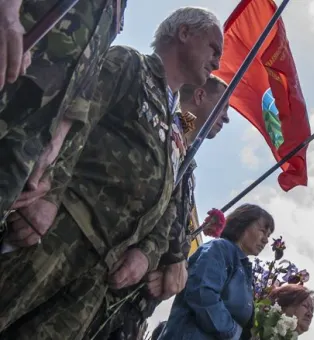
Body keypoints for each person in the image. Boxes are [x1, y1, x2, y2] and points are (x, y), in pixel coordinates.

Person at [0, 7, 223, 339]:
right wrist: (50, 193)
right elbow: (74, 121)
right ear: (185, 33)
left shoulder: (175, 123)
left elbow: (166, 197)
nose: (217, 62)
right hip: (60, 232)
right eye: (213, 49)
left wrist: (146, 255)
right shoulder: (128, 65)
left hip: (100, 273)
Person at [85, 74, 230, 340]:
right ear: (199, 96)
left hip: (131, 304)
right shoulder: (162, 134)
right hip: (101, 282)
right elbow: (147, 206)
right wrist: (170, 260)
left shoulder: (184, 152)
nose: (227, 119)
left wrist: (169, 267)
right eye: (223, 107)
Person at [0, 0, 127, 228]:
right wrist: (6, 14)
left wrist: (55, 144)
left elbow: (88, 66)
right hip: (9, 73)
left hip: (32, 131)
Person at [160, 204, 275, 340]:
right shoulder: (219, 249)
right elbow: (202, 293)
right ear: (242, 224)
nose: (266, 240)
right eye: (262, 230)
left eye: (268, 235)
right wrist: (232, 332)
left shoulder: (244, 268)